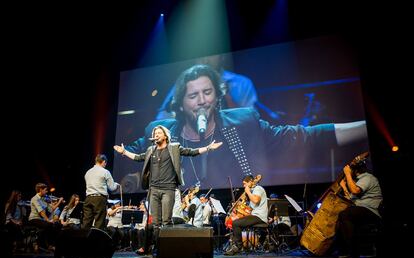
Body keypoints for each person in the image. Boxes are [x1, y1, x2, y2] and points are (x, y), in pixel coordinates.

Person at [122, 64, 368, 190]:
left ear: (217, 96)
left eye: (207, 92)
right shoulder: (161, 132)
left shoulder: (244, 123)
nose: (201, 101)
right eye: (193, 95)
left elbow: (301, 136)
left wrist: (365, 128)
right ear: (181, 104)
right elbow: (129, 154)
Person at [113, 125, 222, 238]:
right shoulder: (150, 150)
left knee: (166, 221)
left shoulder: (174, 147)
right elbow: (138, 157)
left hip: (168, 189)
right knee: (155, 222)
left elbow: (191, 152)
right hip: (153, 189)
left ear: (165, 136)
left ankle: (166, 247)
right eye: (155, 134)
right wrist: (124, 152)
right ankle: (156, 247)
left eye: (159, 133)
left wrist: (208, 147)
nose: (156, 135)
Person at [155, 54, 259, 120]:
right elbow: (162, 119)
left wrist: (226, 93)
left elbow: (251, 119)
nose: (205, 60)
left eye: (211, 55)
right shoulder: (183, 84)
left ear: (222, 56)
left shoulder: (242, 83)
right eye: (201, 55)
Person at [336, 160, 383, 258]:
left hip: (370, 211)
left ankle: (354, 253)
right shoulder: (358, 181)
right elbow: (351, 198)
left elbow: (355, 190)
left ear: (355, 170)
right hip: (361, 209)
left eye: (350, 170)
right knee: (342, 215)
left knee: (346, 214)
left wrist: (347, 174)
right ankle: (344, 250)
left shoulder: (367, 178)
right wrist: (344, 187)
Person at [224, 175, 268, 256]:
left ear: (251, 182)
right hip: (255, 215)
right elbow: (251, 208)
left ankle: (238, 247)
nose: (244, 186)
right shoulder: (253, 190)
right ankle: (235, 245)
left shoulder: (258, 189)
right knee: (235, 221)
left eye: (245, 184)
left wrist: (247, 191)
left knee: (236, 223)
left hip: (259, 216)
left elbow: (255, 200)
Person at [82, 154, 120, 230]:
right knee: (99, 223)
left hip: (88, 198)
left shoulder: (88, 172)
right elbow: (112, 187)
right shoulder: (105, 172)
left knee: (86, 223)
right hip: (99, 199)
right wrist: (117, 185)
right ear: (103, 162)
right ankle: (97, 241)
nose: (105, 165)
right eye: (105, 163)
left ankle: (83, 241)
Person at [27, 183, 64, 251]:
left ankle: (53, 244)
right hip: (34, 219)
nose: (47, 192)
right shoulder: (35, 199)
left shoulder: (43, 199)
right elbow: (41, 211)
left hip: (41, 219)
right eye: (46, 190)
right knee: (48, 225)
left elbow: (52, 208)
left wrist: (59, 201)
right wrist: (47, 220)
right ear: (41, 190)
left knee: (58, 225)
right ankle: (41, 243)